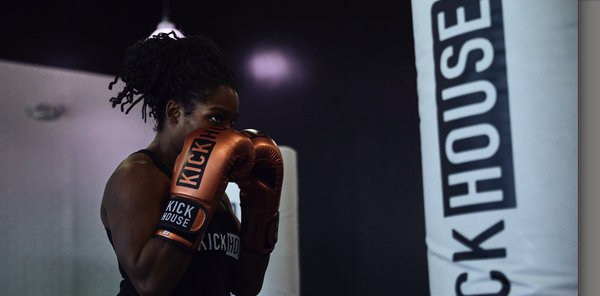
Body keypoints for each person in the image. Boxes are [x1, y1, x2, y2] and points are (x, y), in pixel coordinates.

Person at [100, 31, 282, 296]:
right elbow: (150, 284)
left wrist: (261, 212)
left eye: (232, 122)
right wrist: (193, 196)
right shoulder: (136, 176)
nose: (229, 132)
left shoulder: (214, 186)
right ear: (174, 112)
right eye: (216, 119)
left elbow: (245, 287)